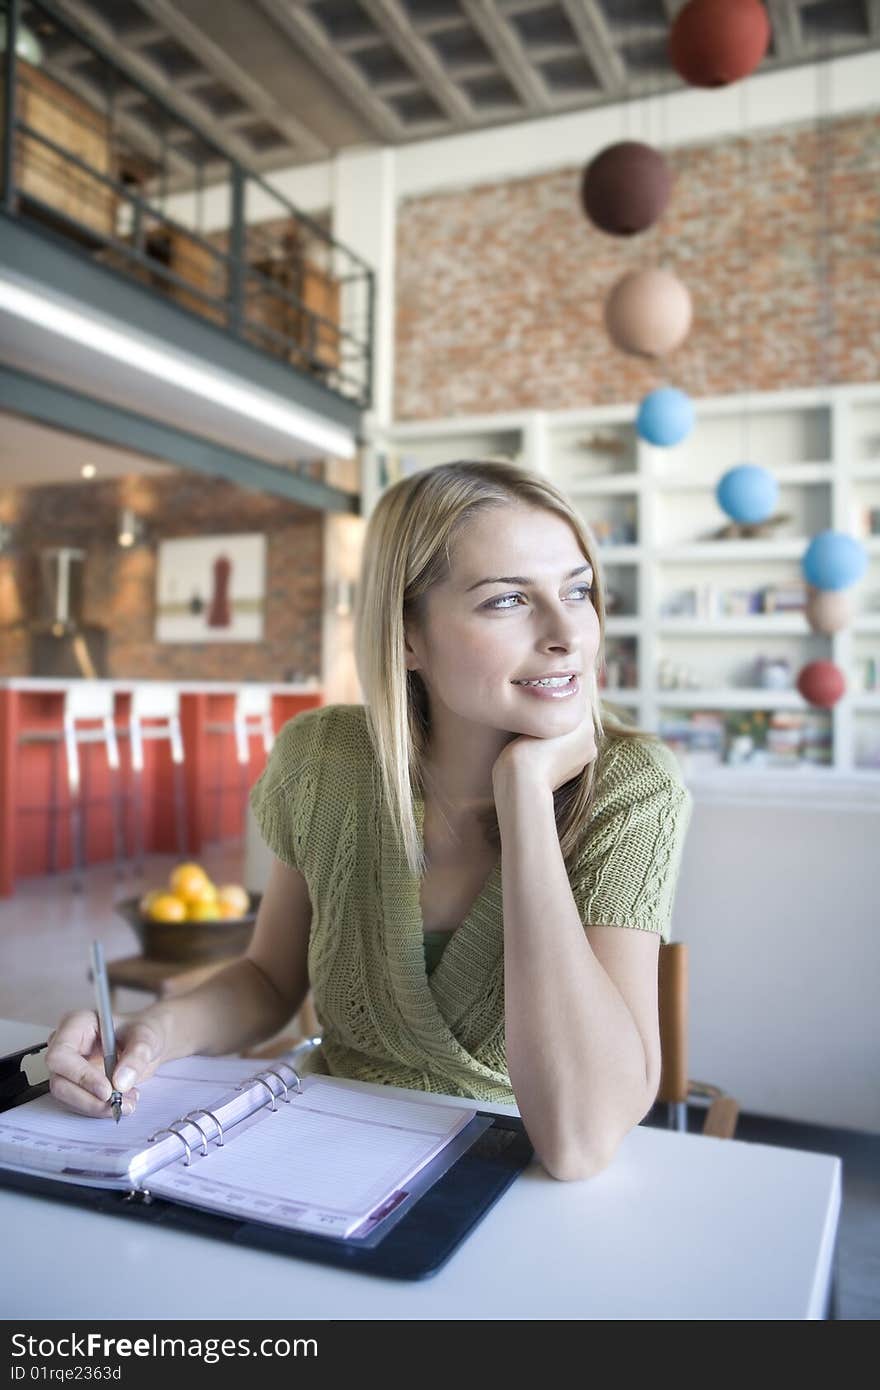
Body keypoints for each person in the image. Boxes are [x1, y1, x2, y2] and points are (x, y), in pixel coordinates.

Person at [45, 460, 693, 1181]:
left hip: (514, 1191)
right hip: (321, 1157)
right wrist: (148, 1037)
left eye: (578, 591)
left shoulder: (633, 789)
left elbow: (579, 1142)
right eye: (508, 601)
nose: (567, 633)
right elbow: (267, 979)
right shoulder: (324, 760)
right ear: (407, 637)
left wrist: (526, 796)